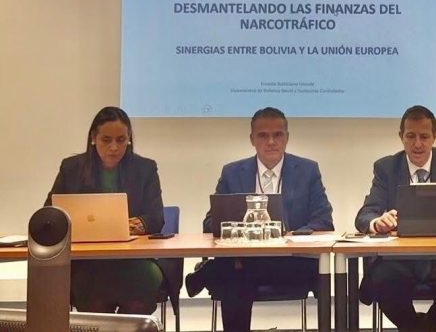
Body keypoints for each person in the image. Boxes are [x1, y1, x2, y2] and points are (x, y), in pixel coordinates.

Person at [185, 107, 334, 332]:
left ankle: (207, 273)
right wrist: (247, 230)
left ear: (287, 137)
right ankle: (214, 273)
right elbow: (210, 224)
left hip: (293, 262)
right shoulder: (232, 173)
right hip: (246, 262)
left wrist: (289, 236)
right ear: (252, 139)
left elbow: (323, 221)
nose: (271, 142)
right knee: (234, 277)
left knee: (232, 271)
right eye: (263, 135)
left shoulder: (307, 170)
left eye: (278, 135)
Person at [355, 105, 436, 332]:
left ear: (435, 136)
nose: (417, 144)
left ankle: (429, 326)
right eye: (411, 136)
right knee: (384, 280)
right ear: (401, 136)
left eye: (424, 137)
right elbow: (365, 214)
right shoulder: (386, 167)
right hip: (399, 260)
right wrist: (377, 222)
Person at [45, 106, 166, 314]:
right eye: (106, 140)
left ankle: (131, 326)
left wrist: (135, 224)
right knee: (90, 294)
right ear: (94, 138)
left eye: (121, 140)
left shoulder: (145, 168)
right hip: (87, 262)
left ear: (129, 139)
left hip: (133, 260)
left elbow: (156, 218)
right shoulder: (71, 168)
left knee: (142, 289)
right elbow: (50, 215)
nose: (114, 147)